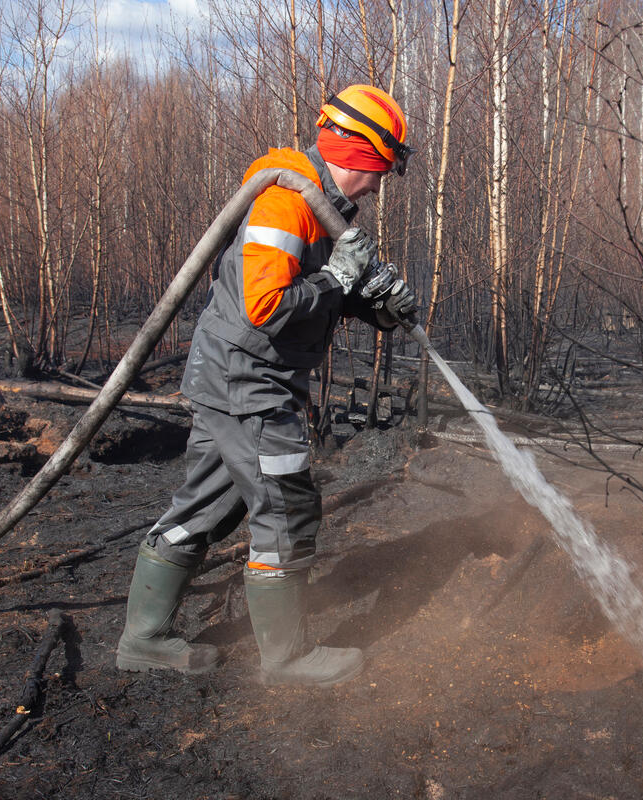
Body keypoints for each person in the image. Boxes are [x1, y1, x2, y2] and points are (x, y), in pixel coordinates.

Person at [115, 85, 417, 686]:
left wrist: (373, 304)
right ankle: (287, 659)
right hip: (248, 382)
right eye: (379, 171)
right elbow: (269, 306)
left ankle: (144, 638)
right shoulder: (287, 202)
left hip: (238, 377)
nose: (379, 186)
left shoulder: (323, 207)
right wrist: (338, 279)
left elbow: (315, 291)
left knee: (207, 502)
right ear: (355, 153)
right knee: (285, 505)